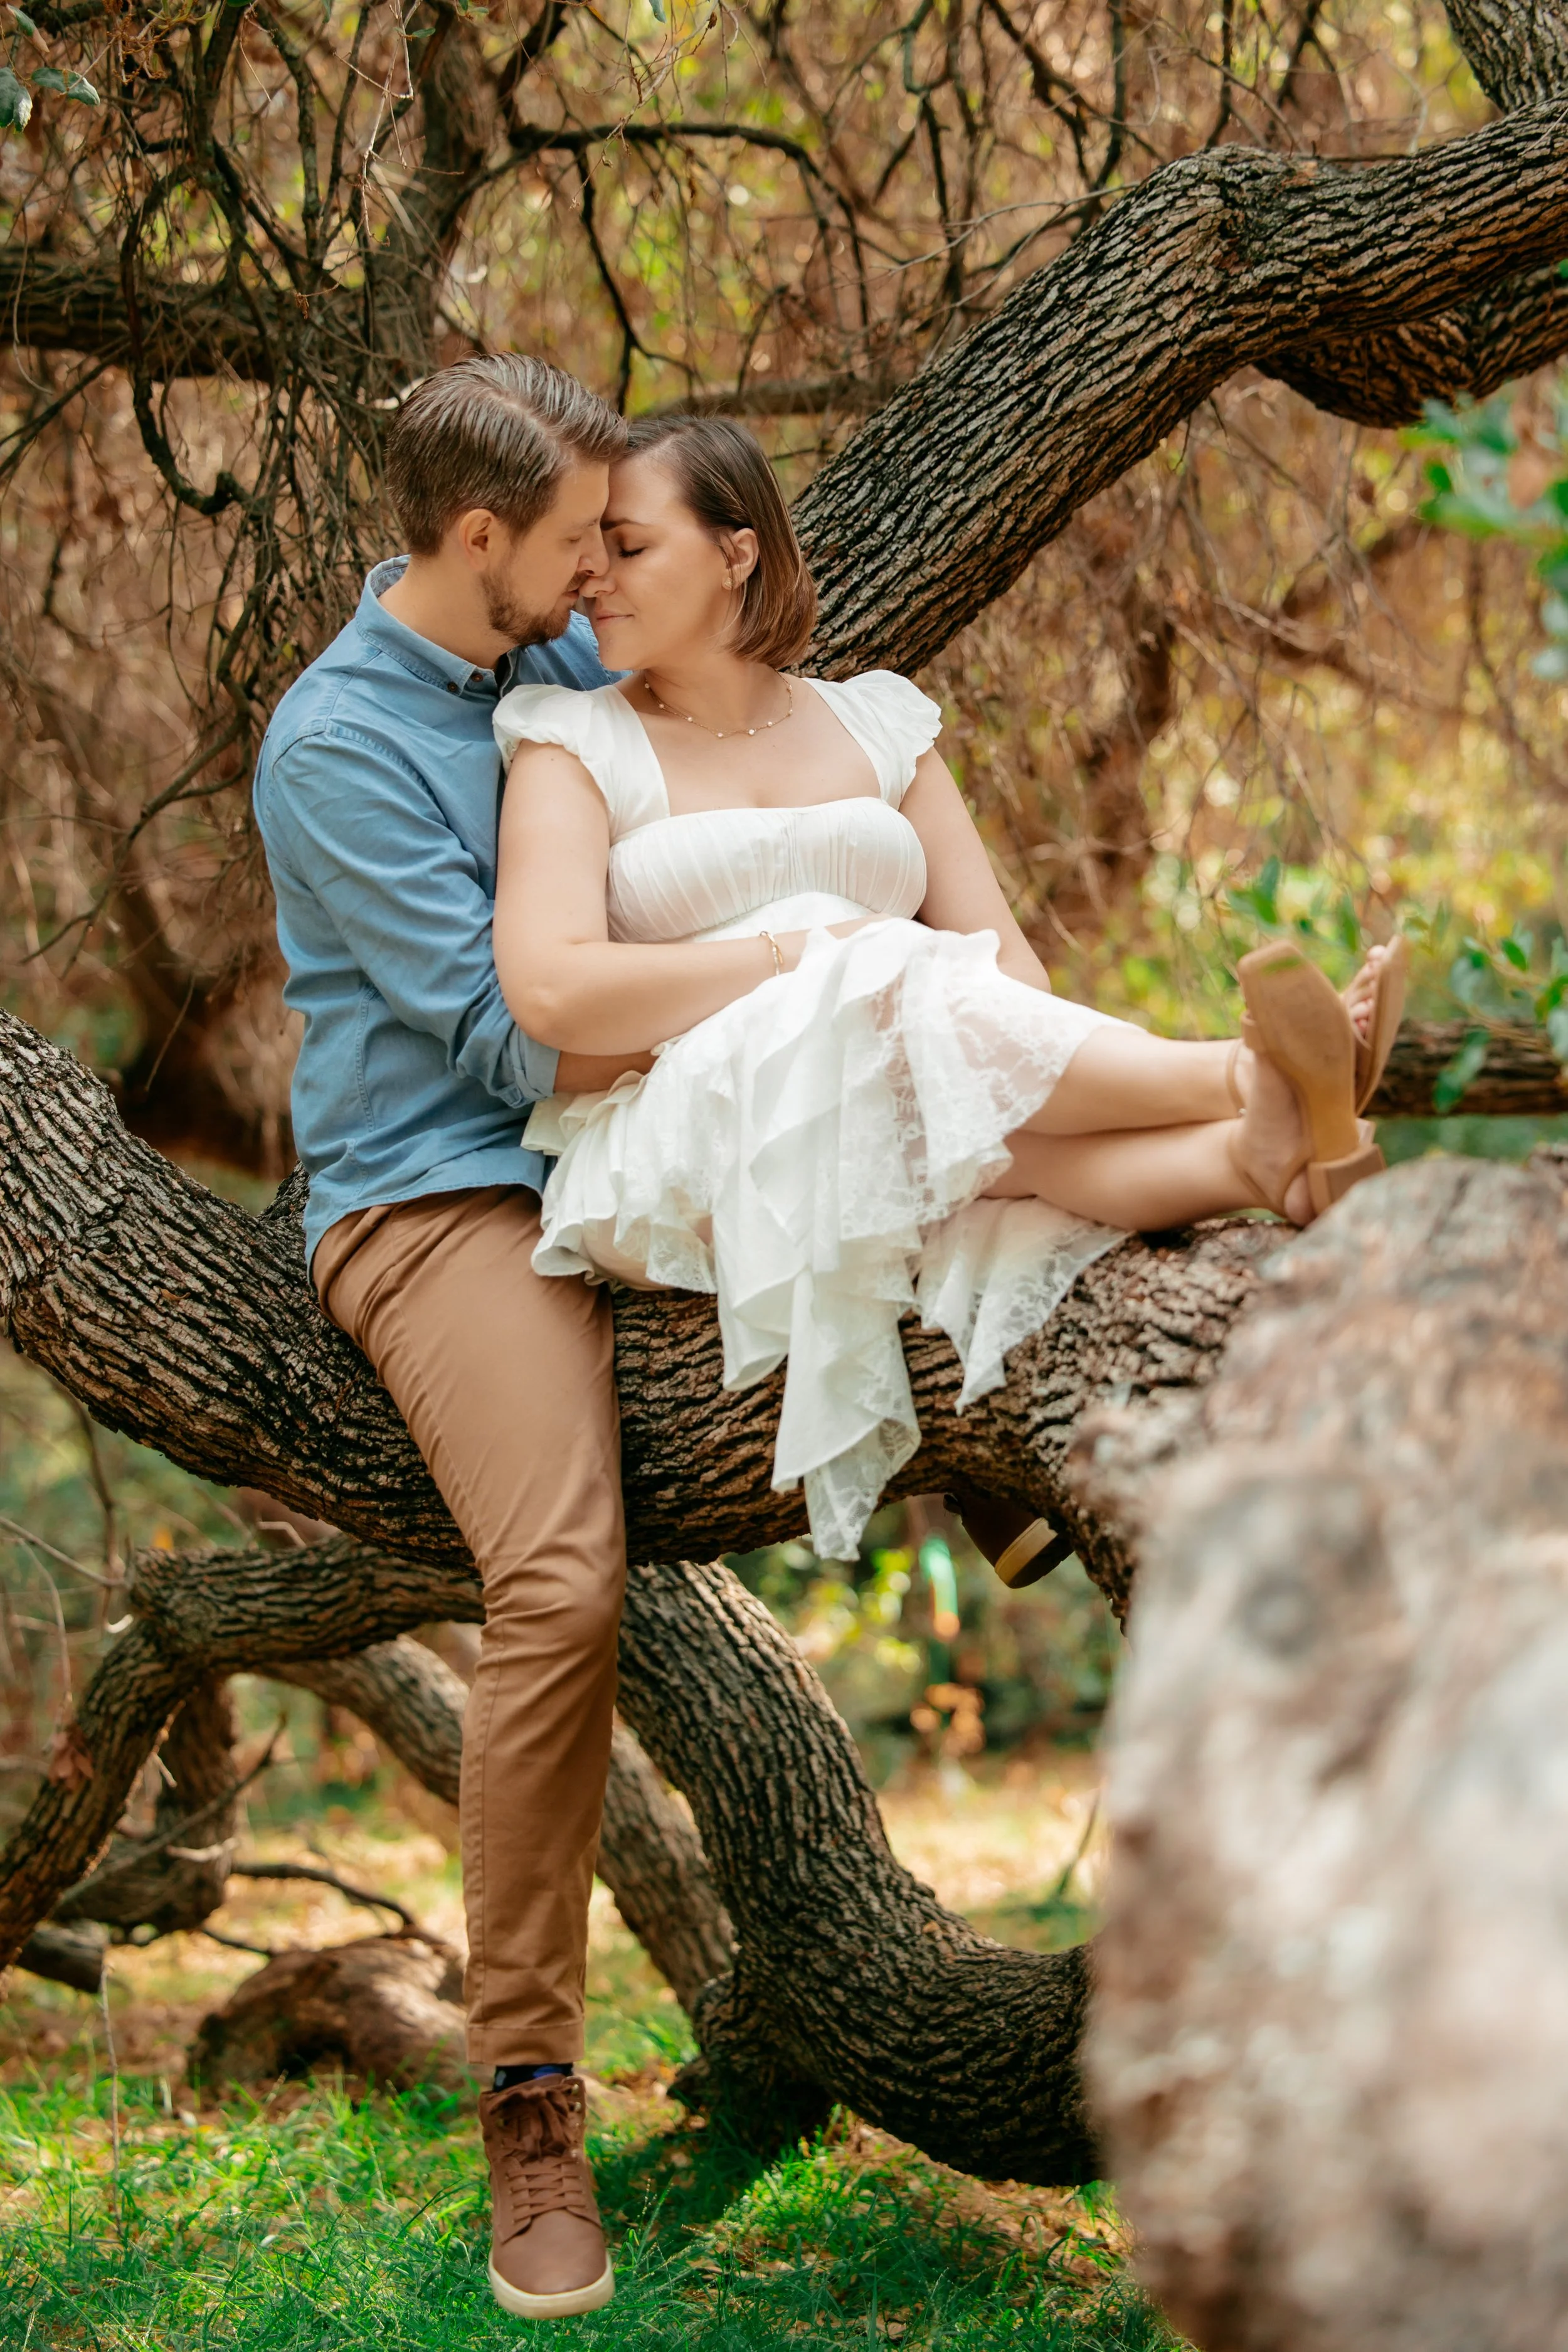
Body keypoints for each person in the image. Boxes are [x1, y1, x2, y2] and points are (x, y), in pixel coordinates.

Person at [490, 415, 1407, 1568]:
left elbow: (1004, 966)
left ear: (736, 551)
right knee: (878, 969)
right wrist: (809, 956)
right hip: (686, 1141)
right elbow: (552, 988)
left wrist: (903, 1000)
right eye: (590, 554)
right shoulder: (573, 743)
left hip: (891, 1072)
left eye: (627, 546)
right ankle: (1245, 1069)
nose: (594, 580)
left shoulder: (878, 719)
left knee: (991, 1137)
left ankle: (1260, 1157)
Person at [253, 356, 647, 2323]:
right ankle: (530, 2100)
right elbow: (506, 1042)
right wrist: (776, 986)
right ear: (478, 536)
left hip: (631, 1137)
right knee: (558, 1576)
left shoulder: (552, 661)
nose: (604, 566)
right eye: (576, 536)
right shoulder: (334, 743)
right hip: (446, 1192)